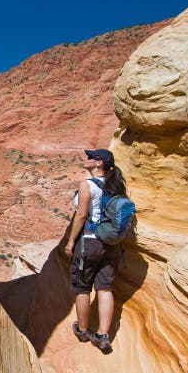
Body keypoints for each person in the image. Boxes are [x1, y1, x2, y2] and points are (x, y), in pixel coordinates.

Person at [64, 148, 127, 353]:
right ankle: (102, 335)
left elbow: (81, 214)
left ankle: (83, 330)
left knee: (82, 286)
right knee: (105, 288)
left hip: (90, 242)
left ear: (99, 163)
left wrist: (71, 241)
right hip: (111, 244)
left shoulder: (88, 185)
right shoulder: (117, 186)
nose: (87, 159)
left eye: (91, 157)